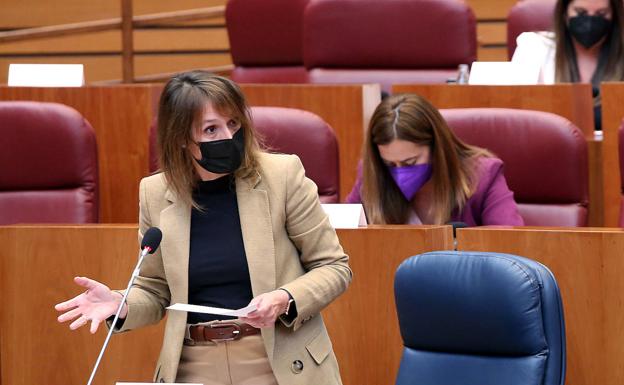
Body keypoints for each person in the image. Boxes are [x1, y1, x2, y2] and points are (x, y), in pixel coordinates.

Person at [55, 71, 352, 385]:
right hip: (194, 366)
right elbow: (156, 290)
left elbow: (333, 266)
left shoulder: (282, 175)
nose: (228, 136)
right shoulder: (155, 193)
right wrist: (122, 303)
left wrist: (284, 298)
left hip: (278, 359)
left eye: (234, 123)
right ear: (182, 138)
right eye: (211, 129)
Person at [346, 94, 524, 226]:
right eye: (390, 164)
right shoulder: (372, 174)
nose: (400, 173)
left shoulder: (483, 175)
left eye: (410, 163)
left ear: (437, 148)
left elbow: (509, 245)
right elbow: (342, 234)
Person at [511, 0, 624, 129]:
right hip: (549, 145)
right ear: (564, 13)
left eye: (601, 13)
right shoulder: (534, 47)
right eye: (580, 12)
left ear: (614, 17)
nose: (590, 21)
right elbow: (520, 112)